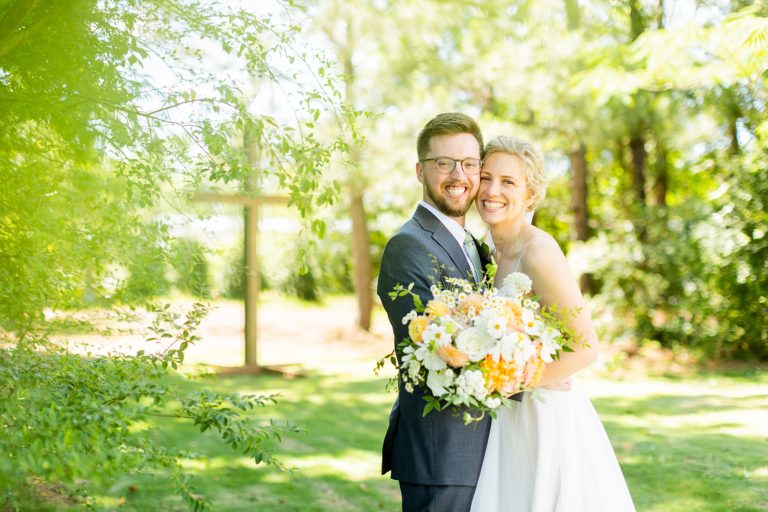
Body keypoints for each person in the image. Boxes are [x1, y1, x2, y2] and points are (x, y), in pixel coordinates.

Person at [470, 135, 636, 511]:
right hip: (508, 415)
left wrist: (506, 382)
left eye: (508, 182)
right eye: (486, 177)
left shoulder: (539, 251)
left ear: (530, 195)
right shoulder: (485, 250)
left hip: (542, 413)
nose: (492, 190)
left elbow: (586, 347)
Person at [377, 112, 499, 511]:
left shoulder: (472, 244)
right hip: (441, 452)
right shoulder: (410, 245)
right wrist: (530, 372)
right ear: (420, 170)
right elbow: (438, 352)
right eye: (443, 163)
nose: (457, 175)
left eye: (468, 163)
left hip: (478, 448)